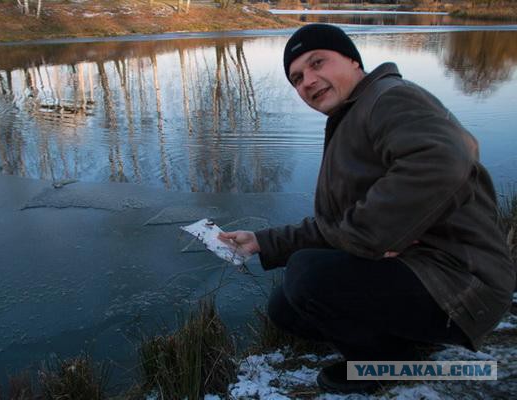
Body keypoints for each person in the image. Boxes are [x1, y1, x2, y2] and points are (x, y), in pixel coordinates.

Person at [218, 24, 515, 394]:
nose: (308, 81)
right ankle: (409, 343)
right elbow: (338, 225)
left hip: (461, 284)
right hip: (424, 272)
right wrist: (262, 242)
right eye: (297, 78)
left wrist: (377, 236)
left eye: (318, 62)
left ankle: (386, 366)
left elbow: (447, 157)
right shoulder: (353, 114)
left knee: (307, 275)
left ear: (353, 61)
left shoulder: (389, 98)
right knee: (285, 308)